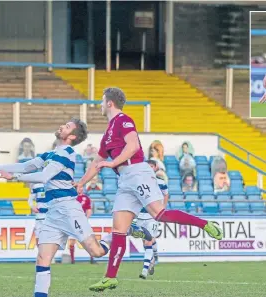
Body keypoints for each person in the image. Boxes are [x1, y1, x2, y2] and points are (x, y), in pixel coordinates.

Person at [0, 119, 148, 297]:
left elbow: (43, 177)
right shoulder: (50, 154)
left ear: (71, 136)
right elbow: (26, 166)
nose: (62, 126)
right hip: (53, 212)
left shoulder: (67, 153)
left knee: (97, 251)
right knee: (42, 258)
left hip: (69, 209)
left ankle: (124, 231)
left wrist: (13, 177)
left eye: (67, 126)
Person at [75, 87, 223, 292]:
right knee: (119, 229)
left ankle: (204, 224)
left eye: (101, 101)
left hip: (137, 172)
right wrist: (81, 182)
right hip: (124, 180)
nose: (100, 105)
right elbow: (96, 163)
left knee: (159, 213)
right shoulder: (107, 133)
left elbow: (133, 145)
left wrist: (112, 163)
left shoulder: (123, 120)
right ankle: (110, 277)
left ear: (110, 103)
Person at [137, 159, 169, 279]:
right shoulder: (139, 183)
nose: (150, 168)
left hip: (152, 216)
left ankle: (145, 270)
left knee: (148, 241)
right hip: (140, 216)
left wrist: (163, 208)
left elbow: (166, 194)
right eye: (147, 166)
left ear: (155, 168)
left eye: (152, 166)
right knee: (145, 242)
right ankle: (154, 256)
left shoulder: (160, 182)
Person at [68, 193, 94, 264]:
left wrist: (86, 218)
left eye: (81, 187)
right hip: (73, 221)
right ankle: (72, 260)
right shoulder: (71, 198)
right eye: (79, 187)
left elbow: (89, 209)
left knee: (88, 240)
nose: (80, 189)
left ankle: (92, 258)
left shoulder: (86, 198)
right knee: (72, 241)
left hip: (82, 221)